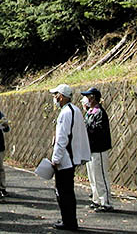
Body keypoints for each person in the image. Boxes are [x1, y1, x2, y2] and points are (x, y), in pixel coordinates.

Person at [49, 84, 91, 231]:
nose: (54, 98)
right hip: (73, 157)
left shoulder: (65, 113)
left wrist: (55, 159)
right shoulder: (76, 110)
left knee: (62, 191)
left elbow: (62, 138)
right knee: (68, 191)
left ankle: (68, 221)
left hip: (65, 158)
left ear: (61, 96)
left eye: (56, 95)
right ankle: (69, 219)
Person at [80, 87, 113, 212]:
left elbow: (98, 129)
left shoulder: (99, 112)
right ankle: (96, 199)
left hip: (99, 148)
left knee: (100, 176)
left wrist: (86, 129)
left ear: (93, 97)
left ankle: (105, 201)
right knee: (92, 176)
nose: (85, 100)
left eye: (87, 97)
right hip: (91, 149)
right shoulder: (90, 112)